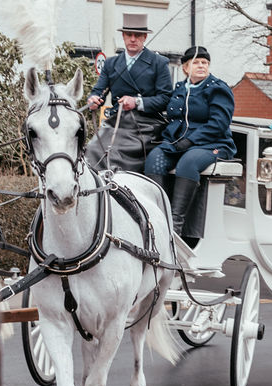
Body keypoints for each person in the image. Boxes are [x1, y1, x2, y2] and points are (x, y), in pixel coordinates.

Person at [145, 46, 236, 235]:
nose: (201, 66)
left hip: (213, 143)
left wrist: (191, 140)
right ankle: (157, 217)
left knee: (188, 163)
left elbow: (219, 123)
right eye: (196, 62)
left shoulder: (218, 88)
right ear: (186, 68)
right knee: (154, 158)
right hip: (178, 143)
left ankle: (175, 225)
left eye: (205, 62)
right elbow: (172, 117)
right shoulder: (180, 88)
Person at [84, 13, 172, 172]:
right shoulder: (111, 63)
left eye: (137, 35)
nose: (132, 39)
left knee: (115, 153)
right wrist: (94, 100)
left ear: (144, 37)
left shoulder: (158, 63)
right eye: (128, 35)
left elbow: (165, 99)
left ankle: (120, 186)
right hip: (116, 123)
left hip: (146, 125)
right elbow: (98, 91)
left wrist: (137, 102)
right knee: (92, 149)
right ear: (123, 36)